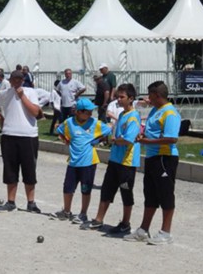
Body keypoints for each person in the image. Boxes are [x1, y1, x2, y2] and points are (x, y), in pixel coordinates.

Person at [125, 81, 181, 245]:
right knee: (150, 194)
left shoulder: (169, 112)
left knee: (165, 194)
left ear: (157, 95)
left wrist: (147, 142)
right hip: (152, 157)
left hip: (164, 158)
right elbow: (153, 131)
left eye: (150, 95)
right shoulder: (156, 110)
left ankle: (166, 232)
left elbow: (172, 138)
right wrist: (142, 135)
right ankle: (143, 230)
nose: (148, 98)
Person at [81, 84, 141, 235]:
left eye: (122, 97)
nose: (118, 99)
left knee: (126, 192)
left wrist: (114, 140)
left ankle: (125, 223)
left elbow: (128, 139)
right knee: (107, 189)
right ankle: (98, 219)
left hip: (127, 162)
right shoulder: (121, 115)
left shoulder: (133, 117)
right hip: (115, 159)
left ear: (131, 99)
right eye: (118, 96)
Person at [0, 70, 42, 213]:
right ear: (10, 80)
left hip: (28, 136)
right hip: (9, 135)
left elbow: (36, 112)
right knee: (10, 169)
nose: (17, 82)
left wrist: (22, 96)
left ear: (23, 80)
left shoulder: (30, 92)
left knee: (29, 170)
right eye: (14, 79)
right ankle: (11, 202)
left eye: (20, 79)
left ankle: (31, 203)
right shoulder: (5, 93)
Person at [53, 98, 112, 224]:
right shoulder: (69, 122)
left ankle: (83, 213)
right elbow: (59, 130)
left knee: (86, 189)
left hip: (89, 161)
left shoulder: (94, 123)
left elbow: (108, 130)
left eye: (91, 111)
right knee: (68, 188)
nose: (90, 114)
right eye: (87, 112)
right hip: (74, 161)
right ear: (78, 112)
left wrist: (97, 141)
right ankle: (67, 211)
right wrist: (65, 139)